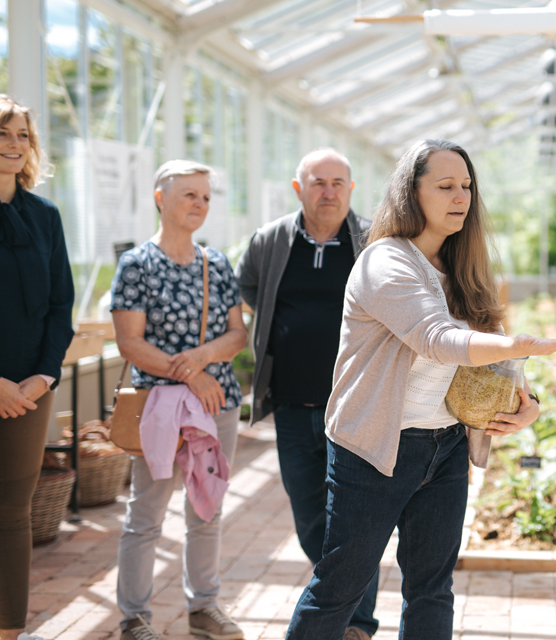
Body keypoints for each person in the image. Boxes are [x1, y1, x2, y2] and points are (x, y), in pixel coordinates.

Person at [285, 139, 556, 640]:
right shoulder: (387, 262)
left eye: (466, 186)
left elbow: (491, 367)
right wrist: (519, 344)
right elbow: (437, 339)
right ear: (411, 193)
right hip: (376, 450)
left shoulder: (462, 268)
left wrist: (527, 404)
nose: (460, 196)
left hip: (444, 448)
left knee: (432, 588)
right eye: (445, 186)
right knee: (342, 585)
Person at [234, 148, 380, 639]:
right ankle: (345, 604)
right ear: (299, 188)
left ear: (351, 189)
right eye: (318, 182)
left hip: (355, 407)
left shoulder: (372, 241)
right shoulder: (271, 240)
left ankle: (356, 624)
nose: (329, 191)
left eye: (339, 182)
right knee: (309, 519)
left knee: (356, 524)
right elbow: (250, 288)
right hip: (293, 407)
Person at [111, 160, 248, 640]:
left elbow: (237, 335)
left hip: (217, 404)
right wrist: (192, 376)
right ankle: (134, 616)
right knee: (146, 512)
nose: (199, 204)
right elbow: (130, 342)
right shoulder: (136, 265)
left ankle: (203, 607)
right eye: (189, 194)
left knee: (206, 508)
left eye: (206, 197)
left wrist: (201, 360)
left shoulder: (217, 264)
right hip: (159, 407)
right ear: (159, 197)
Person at [0, 95, 74, 640]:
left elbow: (60, 305)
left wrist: (43, 375)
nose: (13, 145)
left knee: (12, 513)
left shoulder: (45, 216)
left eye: (22, 135)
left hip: (30, 389)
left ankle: (8, 628)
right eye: (3, 133)